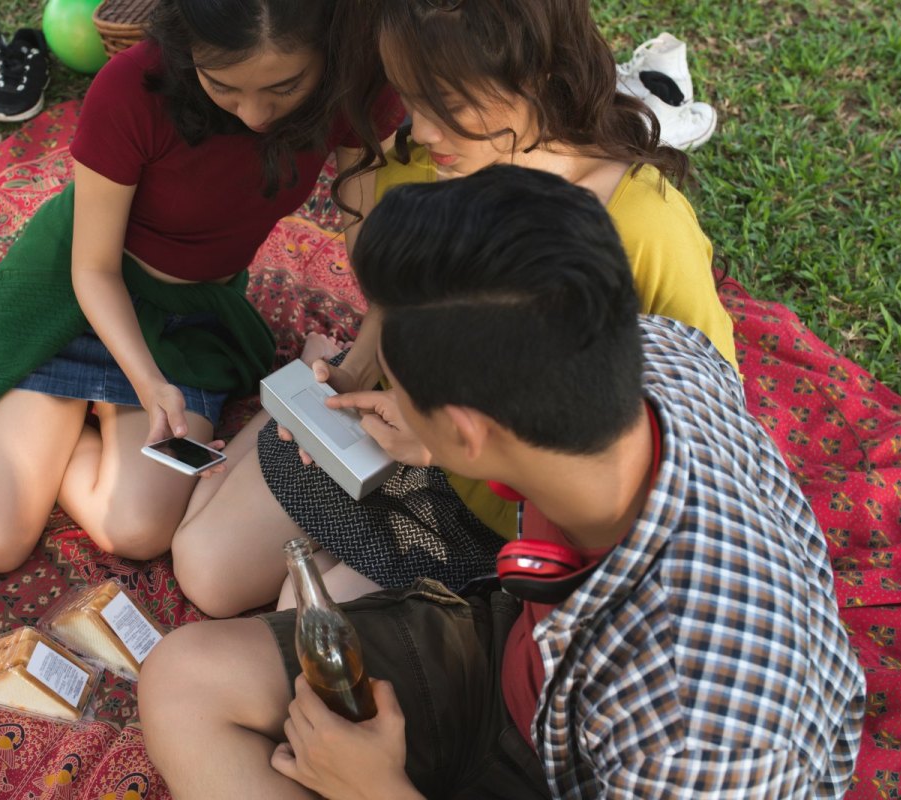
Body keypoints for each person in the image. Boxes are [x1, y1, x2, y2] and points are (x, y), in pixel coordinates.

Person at [138, 165, 865, 799]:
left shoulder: (701, 731)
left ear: (470, 427)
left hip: (593, 760)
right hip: (529, 667)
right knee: (185, 679)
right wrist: (439, 445)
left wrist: (377, 789)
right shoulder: (657, 350)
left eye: (401, 380)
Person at [170, 0, 738, 618]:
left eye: (451, 105)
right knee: (206, 573)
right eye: (410, 97)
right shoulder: (430, 160)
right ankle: (294, 404)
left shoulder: (643, 226)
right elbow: (397, 295)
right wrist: (356, 370)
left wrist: (449, 444)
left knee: (302, 612)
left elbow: (705, 427)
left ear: (538, 75)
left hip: (514, 502)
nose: (423, 129)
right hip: (395, 419)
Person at [0, 0, 400, 572]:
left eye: (283, 87)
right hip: (70, 298)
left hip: (190, 318)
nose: (255, 114)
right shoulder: (133, 86)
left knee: (138, 530)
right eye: (223, 86)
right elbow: (91, 269)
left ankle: (2, 402)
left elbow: (374, 248)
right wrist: (148, 386)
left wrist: (368, 352)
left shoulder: (353, 83)